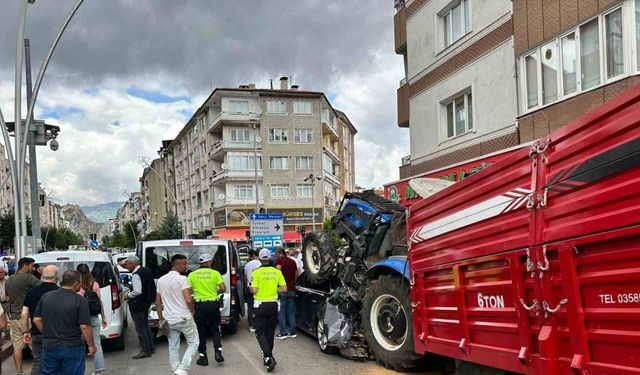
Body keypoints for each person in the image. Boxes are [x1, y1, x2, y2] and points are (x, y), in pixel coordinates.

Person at [33, 270, 96, 375]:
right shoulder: (80, 300)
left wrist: (47, 333)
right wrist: (91, 345)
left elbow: (36, 320)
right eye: (80, 282)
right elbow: (85, 326)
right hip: (73, 346)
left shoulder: (46, 296)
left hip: (50, 346)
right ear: (76, 284)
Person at [156, 254, 199, 375]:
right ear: (179, 265)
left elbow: (158, 302)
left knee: (173, 346)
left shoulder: (161, 280)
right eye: (185, 264)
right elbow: (188, 299)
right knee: (193, 342)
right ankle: (183, 369)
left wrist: (160, 319)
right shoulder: (182, 279)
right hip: (183, 317)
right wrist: (192, 311)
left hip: (169, 319)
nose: (187, 266)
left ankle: (176, 370)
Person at [250, 248, 287, 372]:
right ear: (270, 258)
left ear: (260, 259)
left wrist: (252, 288)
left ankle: (268, 356)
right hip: (273, 305)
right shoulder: (277, 272)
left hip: (260, 305)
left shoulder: (256, 273)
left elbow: (254, 290)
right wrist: (272, 289)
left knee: (260, 332)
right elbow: (284, 289)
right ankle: (268, 357)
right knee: (270, 332)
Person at [188, 253, 225, 366]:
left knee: (201, 331)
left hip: (200, 305)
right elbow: (223, 288)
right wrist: (215, 292)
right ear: (210, 262)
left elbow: (188, 292)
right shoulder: (215, 273)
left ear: (200, 263)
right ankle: (218, 351)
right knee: (215, 328)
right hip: (213, 304)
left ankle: (203, 357)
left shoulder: (192, 275)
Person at [21, 265, 59, 375]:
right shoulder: (59, 292)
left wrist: (25, 331)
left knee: (38, 362)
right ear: (57, 277)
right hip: (55, 333)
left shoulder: (32, 292)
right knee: (55, 362)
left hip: (36, 333)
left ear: (42, 276)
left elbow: (24, 314)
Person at [5, 257, 40, 374]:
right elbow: (43, 288)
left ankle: (19, 371)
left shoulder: (9, 280)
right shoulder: (29, 278)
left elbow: (8, 298)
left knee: (17, 346)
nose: (34, 268)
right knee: (34, 344)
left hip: (14, 317)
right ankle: (38, 369)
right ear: (25, 266)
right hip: (28, 316)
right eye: (32, 266)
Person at [123, 255, 157, 359]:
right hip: (146, 302)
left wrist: (127, 295)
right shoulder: (146, 270)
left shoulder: (137, 275)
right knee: (145, 325)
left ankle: (145, 350)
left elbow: (137, 291)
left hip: (138, 304)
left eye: (127, 263)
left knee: (140, 327)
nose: (126, 266)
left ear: (132, 264)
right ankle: (151, 346)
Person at [76, 264, 107, 374]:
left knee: (78, 344)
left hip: (79, 319)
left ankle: (79, 370)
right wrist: (103, 317)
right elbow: (100, 302)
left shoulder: (76, 286)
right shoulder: (95, 284)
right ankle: (99, 370)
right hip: (93, 317)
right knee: (96, 344)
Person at [275, 247, 298, 339]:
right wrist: (293, 283)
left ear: (280, 253)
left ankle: (282, 333)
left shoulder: (279, 262)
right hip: (291, 289)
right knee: (291, 312)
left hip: (282, 290)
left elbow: (277, 273)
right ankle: (293, 332)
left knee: (281, 312)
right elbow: (296, 273)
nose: (275, 256)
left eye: (276, 254)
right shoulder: (292, 262)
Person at [243, 249, 261, 333]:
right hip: (259, 288)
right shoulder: (261, 264)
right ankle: (259, 324)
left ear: (252, 255)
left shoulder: (247, 265)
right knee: (260, 306)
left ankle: (252, 325)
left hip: (249, 287)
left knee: (250, 307)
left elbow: (245, 278)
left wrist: (246, 287)